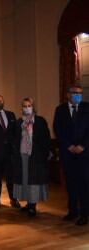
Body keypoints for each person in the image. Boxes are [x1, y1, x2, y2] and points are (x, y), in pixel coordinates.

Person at [53, 84, 89, 225]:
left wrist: (82, 146)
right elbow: (58, 129)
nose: (78, 95)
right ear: (68, 94)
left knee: (84, 184)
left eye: (80, 93)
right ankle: (72, 211)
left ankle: (85, 213)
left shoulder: (87, 108)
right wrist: (68, 145)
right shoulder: (60, 110)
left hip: (84, 154)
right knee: (71, 183)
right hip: (68, 153)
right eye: (75, 93)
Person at [13, 97, 50, 217]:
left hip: (36, 156)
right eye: (25, 106)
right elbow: (14, 139)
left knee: (33, 181)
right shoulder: (19, 122)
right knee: (25, 180)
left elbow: (46, 139)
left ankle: (33, 206)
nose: (27, 108)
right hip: (22, 155)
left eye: (29, 105)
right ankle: (28, 204)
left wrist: (44, 153)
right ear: (22, 108)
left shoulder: (40, 121)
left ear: (33, 107)